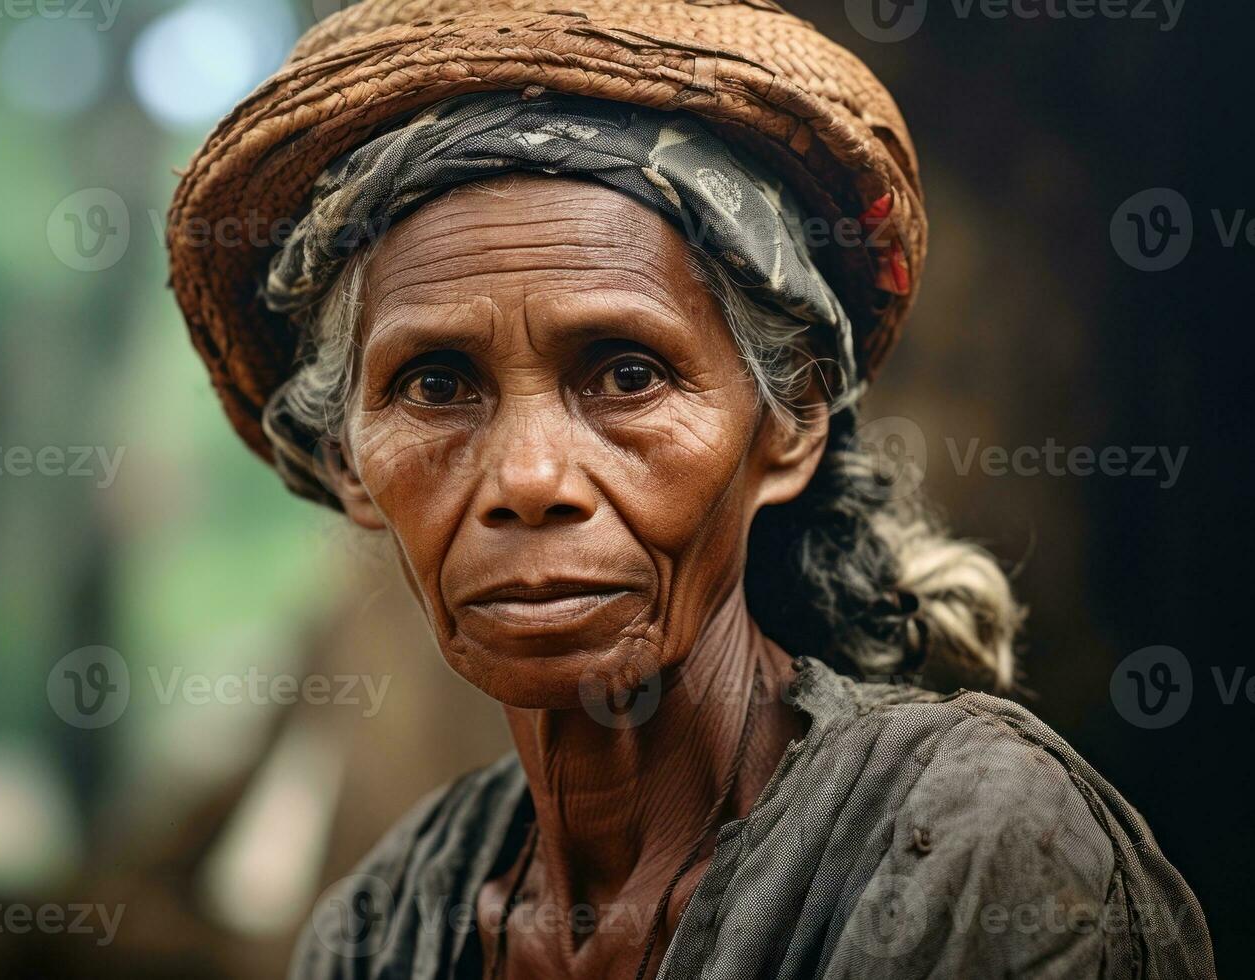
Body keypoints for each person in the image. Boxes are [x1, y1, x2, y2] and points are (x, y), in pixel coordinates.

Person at [166, 2, 1214, 977]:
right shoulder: (381, 924)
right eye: (435, 385)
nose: (529, 481)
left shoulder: (973, 847)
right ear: (349, 462)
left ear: (789, 423)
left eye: (627, 374)